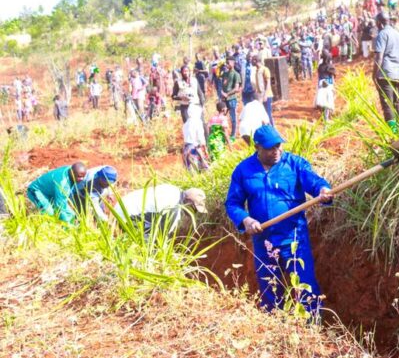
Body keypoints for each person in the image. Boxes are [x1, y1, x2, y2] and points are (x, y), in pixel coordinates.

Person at [225, 125, 334, 314]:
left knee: (304, 285)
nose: (276, 151)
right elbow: (233, 203)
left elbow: (314, 181)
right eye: (269, 148)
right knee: (270, 288)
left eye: (278, 146)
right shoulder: (243, 171)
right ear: (257, 147)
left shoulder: (295, 164)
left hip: (294, 238)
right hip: (263, 240)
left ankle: (312, 327)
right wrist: (246, 220)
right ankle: (276, 329)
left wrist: (323, 190)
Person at [113, 184, 207, 235]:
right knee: (148, 241)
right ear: (188, 202)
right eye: (194, 209)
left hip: (120, 207)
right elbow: (160, 237)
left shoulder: (172, 189)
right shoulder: (174, 209)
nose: (193, 213)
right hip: (126, 216)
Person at [373, 11, 399, 133]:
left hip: (386, 73)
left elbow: (379, 57)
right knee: (397, 103)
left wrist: (374, 75)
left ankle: (393, 134)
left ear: (379, 23)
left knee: (388, 105)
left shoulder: (382, 34)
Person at [183, 104, 210, 172]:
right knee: (203, 169)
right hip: (195, 149)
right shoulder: (197, 122)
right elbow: (200, 137)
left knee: (191, 171)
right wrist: (204, 148)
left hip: (186, 149)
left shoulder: (186, 124)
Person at [221, 56, 242, 140]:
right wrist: (222, 93)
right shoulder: (225, 74)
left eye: (228, 62)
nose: (227, 64)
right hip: (224, 99)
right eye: (226, 62)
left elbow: (236, 88)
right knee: (222, 117)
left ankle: (233, 135)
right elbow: (223, 85)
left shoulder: (236, 74)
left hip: (232, 99)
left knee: (233, 118)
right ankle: (223, 134)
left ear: (233, 63)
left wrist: (227, 94)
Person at [252, 55, 275, 127]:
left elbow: (268, 83)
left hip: (266, 95)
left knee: (268, 114)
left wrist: (266, 95)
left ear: (255, 60)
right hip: (260, 96)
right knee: (262, 114)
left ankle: (272, 129)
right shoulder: (257, 70)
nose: (251, 61)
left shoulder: (265, 69)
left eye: (252, 60)